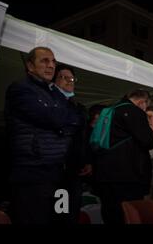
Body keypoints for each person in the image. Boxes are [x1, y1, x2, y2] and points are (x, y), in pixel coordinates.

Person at [4, 47, 85, 224]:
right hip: (32, 175)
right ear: (30, 66)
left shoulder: (56, 93)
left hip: (58, 175)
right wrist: (60, 120)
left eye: (53, 61)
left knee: (59, 219)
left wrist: (60, 119)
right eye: (44, 61)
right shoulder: (20, 89)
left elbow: (76, 117)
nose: (50, 65)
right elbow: (52, 118)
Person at [93, 89, 153, 224]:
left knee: (110, 212)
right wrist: (152, 128)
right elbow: (149, 141)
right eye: (146, 106)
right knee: (128, 214)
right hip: (126, 175)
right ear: (141, 102)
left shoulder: (109, 111)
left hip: (104, 173)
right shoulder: (134, 111)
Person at [52, 64, 91, 224]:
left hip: (75, 171)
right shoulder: (49, 103)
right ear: (53, 81)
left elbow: (83, 137)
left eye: (72, 78)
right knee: (59, 212)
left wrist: (87, 160)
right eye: (63, 77)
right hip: (56, 169)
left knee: (71, 212)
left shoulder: (79, 108)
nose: (69, 81)